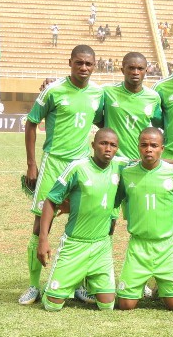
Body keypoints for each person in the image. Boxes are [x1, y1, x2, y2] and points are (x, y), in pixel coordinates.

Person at [19, 45, 104, 305]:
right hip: (53, 163)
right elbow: (32, 123)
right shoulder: (53, 90)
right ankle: (34, 286)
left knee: (82, 223)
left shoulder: (99, 94)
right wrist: (32, 164)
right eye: (79, 62)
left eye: (89, 63)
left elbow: (107, 123)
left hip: (81, 166)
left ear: (94, 65)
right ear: (70, 63)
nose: (84, 68)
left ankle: (78, 284)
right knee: (39, 226)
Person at [38, 128, 126, 311]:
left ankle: (88, 280)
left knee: (108, 305)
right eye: (103, 143)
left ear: (117, 148)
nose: (108, 148)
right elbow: (51, 200)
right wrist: (43, 239)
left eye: (112, 145)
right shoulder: (78, 167)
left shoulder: (120, 166)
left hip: (101, 246)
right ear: (93, 145)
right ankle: (66, 283)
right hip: (74, 245)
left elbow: (147, 162)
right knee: (52, 306)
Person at [114, 127, 173, 311]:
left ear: (162, 148)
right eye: (144, 145)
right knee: (125, 305)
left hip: (166, 246)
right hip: (138, 246)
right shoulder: (126, 172)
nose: (149, 149)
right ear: (138, 147)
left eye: (154, 145)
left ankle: (161, 286)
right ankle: (140, 283)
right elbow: (114, 199)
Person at [100, 52, 163, 160]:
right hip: (113, 160)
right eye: (131, 68)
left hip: (139, 160)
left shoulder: (153, 97)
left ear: (146, 71)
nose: (135, 72)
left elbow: (158, 124)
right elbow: (96, 118)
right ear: (122, 70)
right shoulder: (107, 92)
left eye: (140, 68)